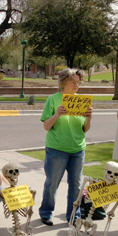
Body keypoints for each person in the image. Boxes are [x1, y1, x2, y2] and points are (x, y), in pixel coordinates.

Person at [39, 68, 92, 226]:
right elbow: (46, 126)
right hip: (57, 149)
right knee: (52, 183)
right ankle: (46, 213)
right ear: (63, 83)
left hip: (78, 149)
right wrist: (57, 115)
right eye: (73, 82)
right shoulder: (53, 99)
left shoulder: (82, 101)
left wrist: (89, 118)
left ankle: (73, 215)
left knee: (75, 185)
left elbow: (85, 129)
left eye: (78, 82)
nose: (77, 85)